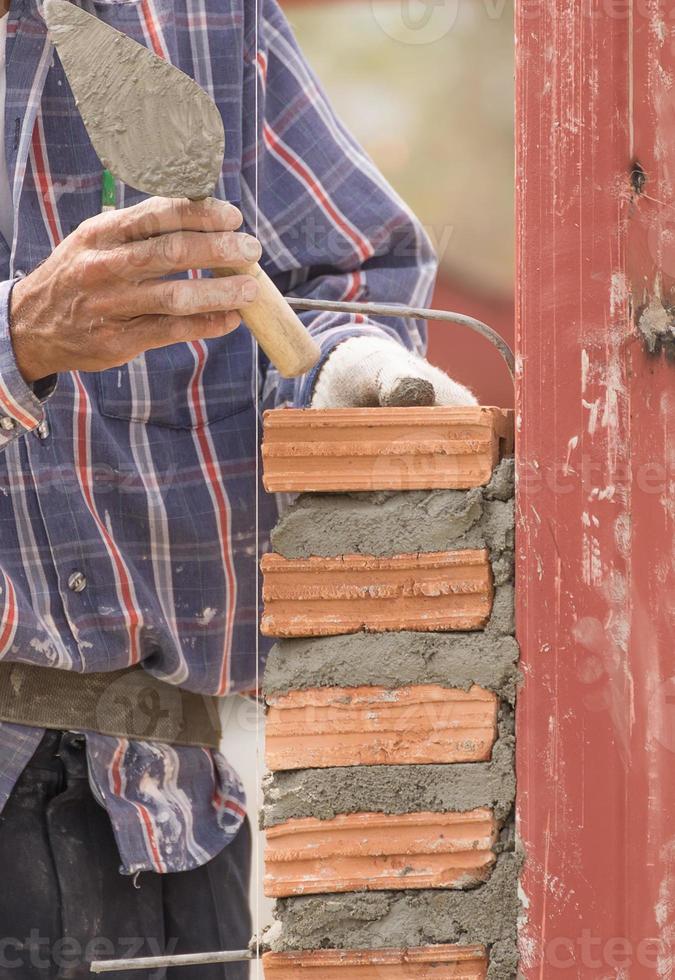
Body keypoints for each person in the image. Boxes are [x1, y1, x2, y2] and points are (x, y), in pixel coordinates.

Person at [0, 0, 476, 976]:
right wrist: (19, 336)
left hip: (176, 806)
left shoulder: (207, 17)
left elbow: (347, 273)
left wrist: (345, 365)